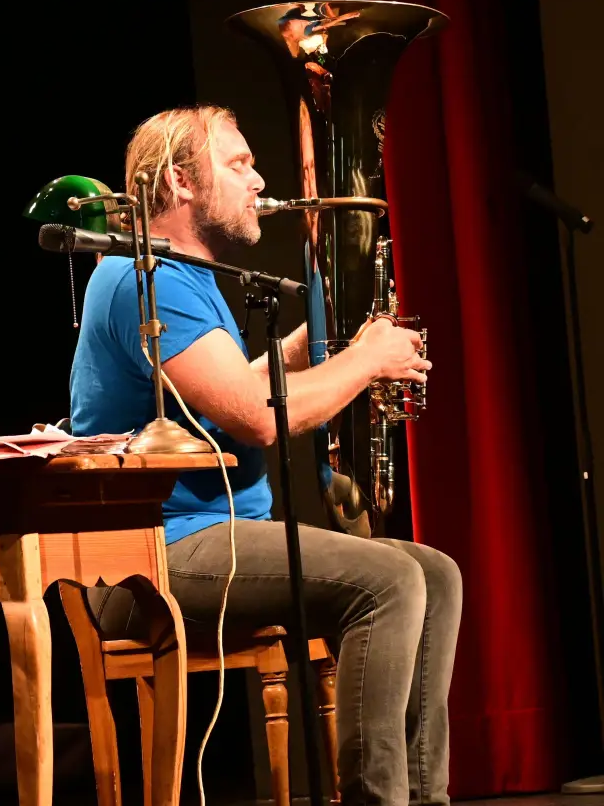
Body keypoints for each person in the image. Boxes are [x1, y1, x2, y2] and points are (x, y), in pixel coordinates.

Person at [69, 105, 462, 806]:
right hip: (152, 557)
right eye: (238, 164)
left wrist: (320, 344)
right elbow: (257, 419)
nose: (258, 180)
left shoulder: (184, 276)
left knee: (437, 572)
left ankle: (424, 797)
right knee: (390, 581)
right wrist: (366, 362)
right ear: (180, 181)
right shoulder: (146, 277)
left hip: (206, 539)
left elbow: (224, 392)